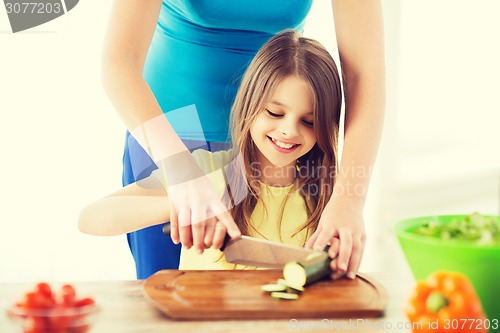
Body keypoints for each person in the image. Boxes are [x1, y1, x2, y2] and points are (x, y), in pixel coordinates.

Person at [101, 0, 385, 279]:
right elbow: (119, 61)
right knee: (162, 301)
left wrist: (349, 199)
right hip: (168, 136)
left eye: (310, 121)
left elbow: (364, 73)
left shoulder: (302, 165)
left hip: (270, 145)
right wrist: (181, 173)